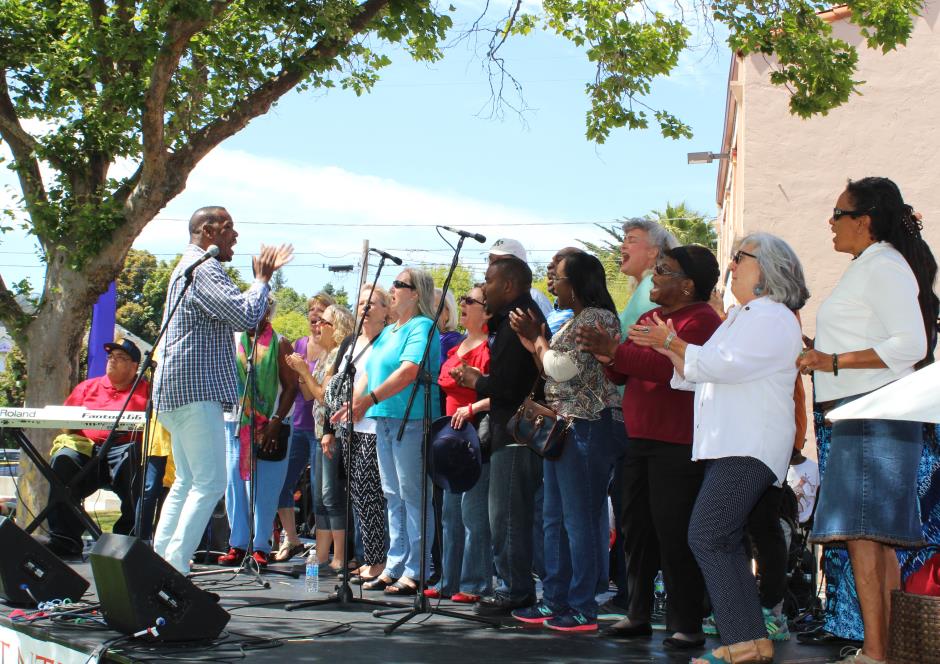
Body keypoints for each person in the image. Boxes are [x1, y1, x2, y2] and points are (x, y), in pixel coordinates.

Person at [632, 233, 808, 664]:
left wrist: (669, 344)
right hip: (734, 443)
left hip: (749, 443)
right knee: (720, 538)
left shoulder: (770, 316)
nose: (731, 265)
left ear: (766, 268)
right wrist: (670, 346)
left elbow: (722, 365)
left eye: (739, 257)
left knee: (708, 535)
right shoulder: (743, 316)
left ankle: (744, 641)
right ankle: (748, 642)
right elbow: (698, 372)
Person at [797, 178, 938, 664]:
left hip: (873, 411)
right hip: (864, 411)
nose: (830, 224)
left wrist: (831, 361)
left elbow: (911, 345)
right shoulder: (871, 267)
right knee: (873, 538)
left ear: (864, 221)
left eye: (837, 214)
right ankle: (885, 651)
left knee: (866, 536)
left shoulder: (884, 266)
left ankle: (877, 653)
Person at [578, 245, 722, 647]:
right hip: (639, 439)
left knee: (673, 533)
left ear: (688, 285)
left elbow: (664, 369)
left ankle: (686, 623)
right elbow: (624, 371)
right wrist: (609, 354)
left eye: (664, 271)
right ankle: (637, 613)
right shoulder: (650, 317)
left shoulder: (703, 320)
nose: (654, 277)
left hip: (676, 443)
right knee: (636, 530)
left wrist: (615, 350)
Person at [152, 206, 292, 574]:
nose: (235, 236)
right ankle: (175, 568)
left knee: (187, 481)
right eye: (229, 228)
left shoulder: (190, 266)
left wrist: (258, 284)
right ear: (208, 230)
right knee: (211, 482)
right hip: (195, 392)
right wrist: (262, 280)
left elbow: (236, 309)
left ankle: (159, 562)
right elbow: (246, 316)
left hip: (176, 392)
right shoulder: (205, 268)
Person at [507, 252, 623, 632]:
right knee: (554, 518)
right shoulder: (575, 320)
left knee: (581, 520)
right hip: (564, 430)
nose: (552, 282)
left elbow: (560, 367)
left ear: (577, 282)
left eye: (557, 276)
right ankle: (554, 599)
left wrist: (539, 340)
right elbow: (550, 367)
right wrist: (534, 343)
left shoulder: (597, 318)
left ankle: (582, 606)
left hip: (587, 428)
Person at [332, 268, 441, 596]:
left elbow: (409, 371)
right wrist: (352, 405)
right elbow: (371, 372)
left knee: (413, 495)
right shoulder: (393, 330)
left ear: (416, 293)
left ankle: (420, 567)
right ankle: (395, 563)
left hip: (411, 419)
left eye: (399, 284)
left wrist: (369, 400)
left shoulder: (422, 327)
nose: (392, 288)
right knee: (392, 495)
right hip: (385, 419)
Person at [450, 257, 546, 616]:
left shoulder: (519, 317)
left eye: (489, 280)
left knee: (506, 516)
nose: (484, 286)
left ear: (508, 285)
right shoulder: (514, 317)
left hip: (515, 435)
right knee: (506, 515)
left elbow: (510, 385)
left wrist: (477, 381)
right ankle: (513, 585)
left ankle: (514, 589)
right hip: (511, 432)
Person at [45, 338, 149, 557]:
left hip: (123, 452)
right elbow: (65, 424)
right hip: (88, 453)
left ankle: (125, 541)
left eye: (121, 358)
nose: (113, 361)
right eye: (111, 357)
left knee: (135, 458)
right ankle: (65, 540)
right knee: (63, 459)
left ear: (134, 367)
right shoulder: (87, 387)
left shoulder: (146, 391)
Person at [216, 298, 297, 568]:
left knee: (263, 489)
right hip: (235, 423)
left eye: (261, 308)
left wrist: (276, 420)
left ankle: (261, 545)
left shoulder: (280, 342)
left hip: (268, 427)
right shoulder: (233, 339)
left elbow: (291, 387)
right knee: (234, 485)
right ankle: (237, 544)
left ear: (268, 312)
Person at [428, 284, 493, 603]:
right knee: (450, 513)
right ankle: (448, 580)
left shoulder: (490, 347)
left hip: (476, 437)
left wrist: (473, 408)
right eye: (463, 300)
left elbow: (504, 392)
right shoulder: (458, 347)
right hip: (451, 438)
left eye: (471, 300)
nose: (464, 304)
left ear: (488, 311)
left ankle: (475, 583)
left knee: (473, 513)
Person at [323, 285, 391, 583]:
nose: (365, 308)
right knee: (358, 496)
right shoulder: (351, 341)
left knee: (372, 493)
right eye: (361, 302)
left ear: (386, 310)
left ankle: (378, 561)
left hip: (374, 425)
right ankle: (370, 558)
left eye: (372, 303)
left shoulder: (388, 340)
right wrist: (329, 430)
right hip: (347, 427)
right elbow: (334, 386)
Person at [288, 304, 355, 574]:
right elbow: (308, 395)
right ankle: (323, 554)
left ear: (336, 327)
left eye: (323, 323)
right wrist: (301, 372)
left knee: (331, 495)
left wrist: (304, 371)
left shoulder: (339, 355)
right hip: (319, 432)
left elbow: (325, 397)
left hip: (333, 433)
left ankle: (339, 556)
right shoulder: (327, 356)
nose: (316, 327)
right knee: (319, 498)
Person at [273, 293, 333, 562]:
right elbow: (293, 386)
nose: (314, 314)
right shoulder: (299, 344)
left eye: (320, 309)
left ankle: (324, 549)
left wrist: (302, 374)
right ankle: (292, 539)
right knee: (282, 484)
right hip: (298, 425)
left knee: (321, 492)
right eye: (311, 308)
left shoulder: (333, 348)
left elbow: (312, 392)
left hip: (321, 429)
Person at [488, 238, 553, 319]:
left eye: (500, 260)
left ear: (520, 264)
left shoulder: (536, 297)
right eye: (491, 259)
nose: (493, 265)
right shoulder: (484, 297)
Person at [545, 247, 582, 334]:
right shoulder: (555, 311)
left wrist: (536, 337)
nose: (549, 266)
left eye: (559, 261)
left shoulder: (588, 318)